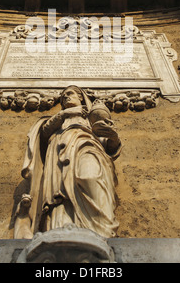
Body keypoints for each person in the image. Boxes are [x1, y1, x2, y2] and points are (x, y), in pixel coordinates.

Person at [14, 85, 121, 239]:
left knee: (91, 178)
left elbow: (109, 147)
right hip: (58, 151)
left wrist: (113, 138)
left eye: (70, 94)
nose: (66, 98)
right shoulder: (61, 118)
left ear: (81, 97)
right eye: (64, 96)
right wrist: (66, 113)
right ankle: (60, 230)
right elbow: (44, 132)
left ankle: (102, 231)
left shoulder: (91, 117)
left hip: (88, 146)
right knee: (60, 192)